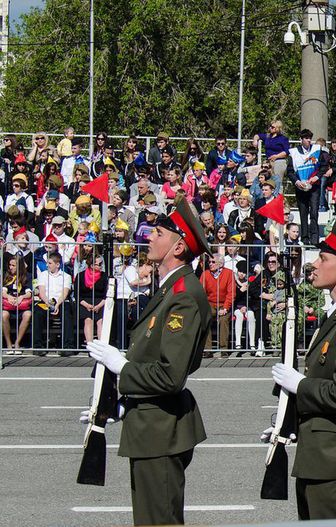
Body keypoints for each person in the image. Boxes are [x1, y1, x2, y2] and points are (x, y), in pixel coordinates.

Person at [85, 198, 211, 526]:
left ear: (178, 247)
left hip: (161, 430)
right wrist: (124, 404)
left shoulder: (183, 295)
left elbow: (171, 374)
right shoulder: (170, 289)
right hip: (149, 424)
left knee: (158, 520)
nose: (149, 237)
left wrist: (121, 366)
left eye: (158, 233)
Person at [266, 220, 336, 520]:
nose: (314, 265)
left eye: (322, 259)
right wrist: (290, 418)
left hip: (334, 455)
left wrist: (299, 385)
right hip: (318, 450)